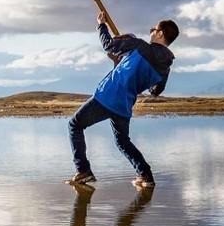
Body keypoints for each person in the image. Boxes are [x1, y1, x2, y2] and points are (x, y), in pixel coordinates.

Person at [66, 13, 179, 187]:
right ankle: (146, 176)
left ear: (161, 34)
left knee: (74, 124)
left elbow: (108, 45)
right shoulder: (165, 67)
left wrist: (101, 25)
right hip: (124, 104)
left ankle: (83, 171)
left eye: (153, 29)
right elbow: (155, 91)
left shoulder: (140, 46)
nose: (151, 31)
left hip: (108, 96)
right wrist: (124, 66)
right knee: (123, 141)